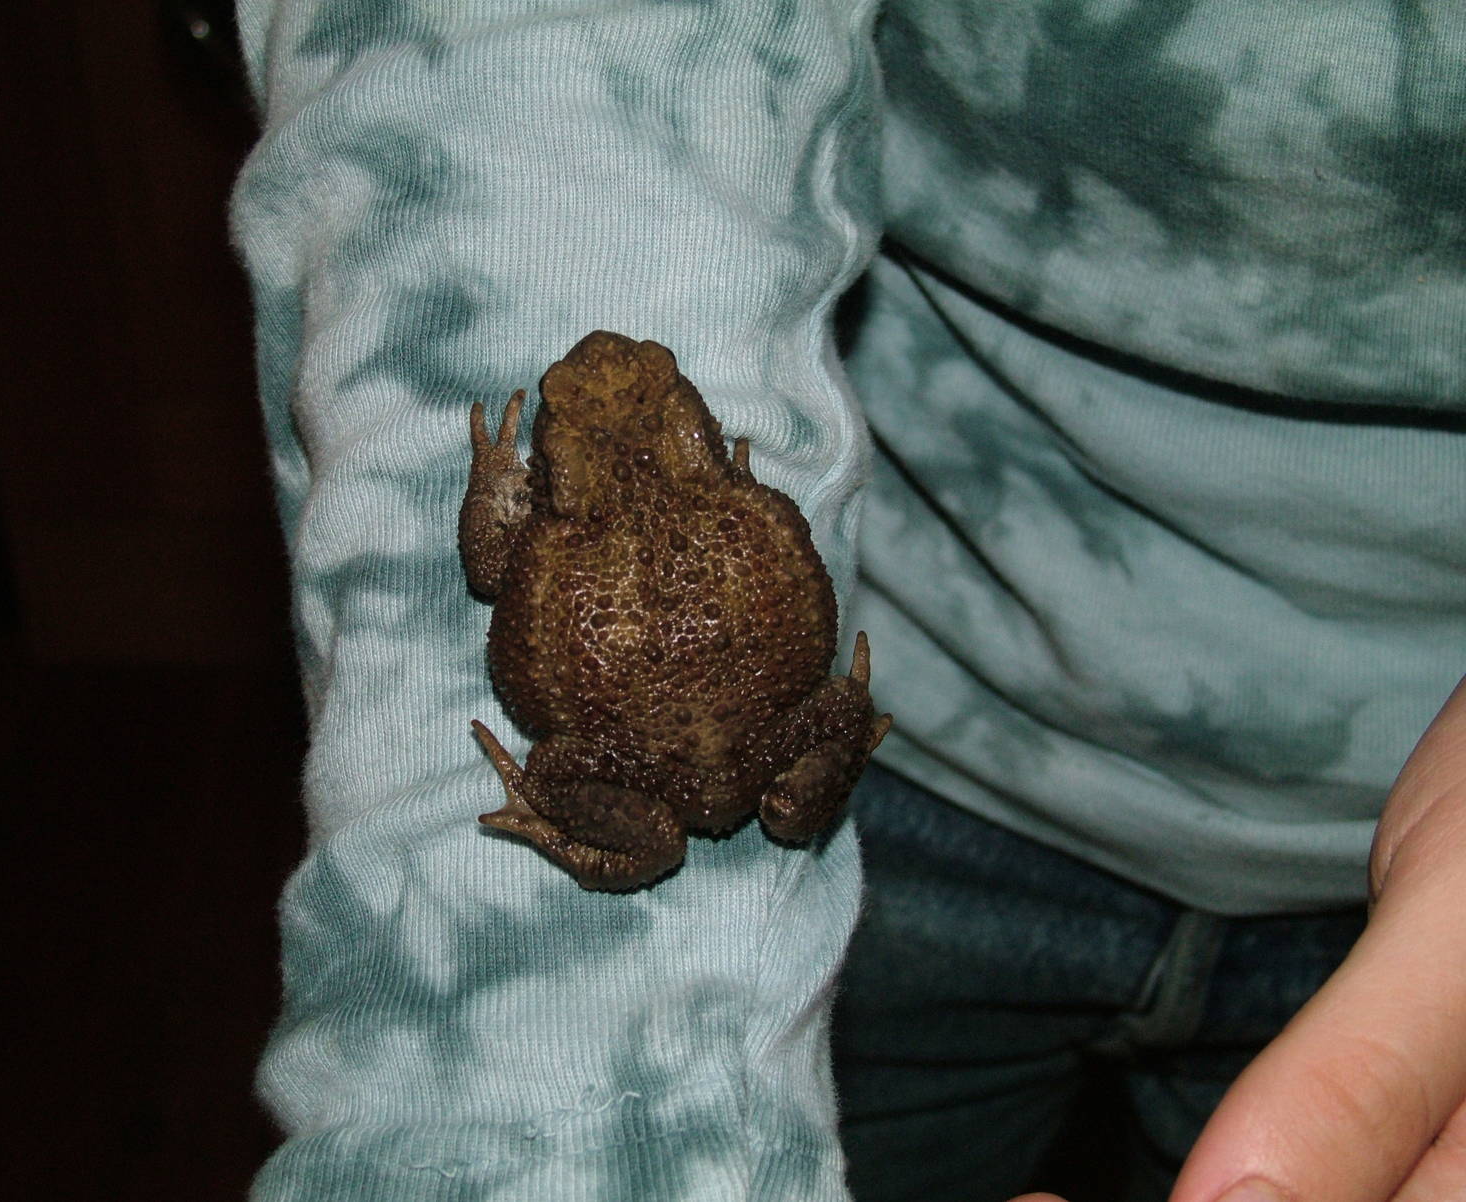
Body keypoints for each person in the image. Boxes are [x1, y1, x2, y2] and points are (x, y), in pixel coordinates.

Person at [228, 1, 1466, 1199]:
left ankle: (563, 810)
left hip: (1371, 854)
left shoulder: (555, 523)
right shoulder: (735, 498)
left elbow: (496, 568)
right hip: (901, 779)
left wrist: (495, 477)